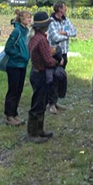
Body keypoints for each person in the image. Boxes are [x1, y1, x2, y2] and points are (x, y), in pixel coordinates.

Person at [27, 12, 57, 143]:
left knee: (39, 102)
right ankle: (33, 134)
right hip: (42, 74)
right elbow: (48, 61)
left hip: (35, 72)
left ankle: (39, 131)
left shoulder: (34, 38)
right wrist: (57, 61)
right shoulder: (42, 40)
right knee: (38, 104)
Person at [47, 1, 76, 114]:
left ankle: (56, 101)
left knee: (60, 77)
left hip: (64, 53)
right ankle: (51, 104)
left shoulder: (66, 20)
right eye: (65, 8)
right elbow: (55, 37)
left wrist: (65, 32)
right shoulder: (51, 21)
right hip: (54, 54)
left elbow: (74, 31)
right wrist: (67, 35)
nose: (66, 9)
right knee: (53, 78)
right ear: (59, 9)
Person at [3, 9, 31, 127]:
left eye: (30, 17)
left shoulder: (26, 31)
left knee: (19, 90)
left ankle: (15, 114)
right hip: (14, 65)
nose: (30, 20)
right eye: (28, 18)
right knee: (13, 90)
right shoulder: (16, 32)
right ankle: (9, 115)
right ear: (22, 19)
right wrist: (20, 55)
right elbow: (8, 48)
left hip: (22, 65)